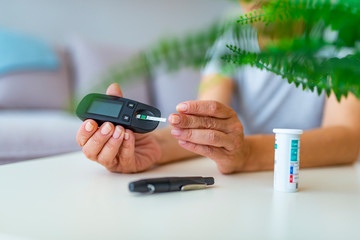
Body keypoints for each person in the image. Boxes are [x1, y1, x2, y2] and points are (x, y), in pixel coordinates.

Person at [76, 0, 360, 174]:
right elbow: (203, 127)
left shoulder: (343, 32)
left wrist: (246, 154)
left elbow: (348, 138)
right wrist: (149, 148)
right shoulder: (234, 34)